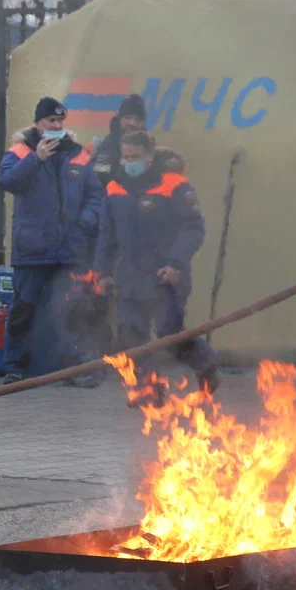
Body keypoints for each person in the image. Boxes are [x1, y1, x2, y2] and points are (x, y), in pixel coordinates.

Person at [94, 131, 219, 393]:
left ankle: (205, 366)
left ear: (150, 157)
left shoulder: (175, 185)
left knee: (169, 333)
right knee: (131, 336)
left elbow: (193, 228)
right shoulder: (114, 187)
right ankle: (150, 390)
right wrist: (103, 271)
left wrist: (176, 263)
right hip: (129, 274)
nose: (130, 162)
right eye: (126, 157)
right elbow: (106, 235)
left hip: (166, 273)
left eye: (135, 157)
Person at [0, 97, 104, 387]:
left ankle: (73, 369)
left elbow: (95, 195)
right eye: (50, 122)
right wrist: (37, 159)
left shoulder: (78, 154)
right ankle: (14, 367)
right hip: (33, 247)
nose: (56, 126)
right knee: (24, 307)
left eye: (60, 121)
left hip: (70, 246)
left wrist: (85, 222)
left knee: (73, 307)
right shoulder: (21, 151)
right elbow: (7, 181)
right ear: (38, 123)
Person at [85, 94, 147, 181]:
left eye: (138, 119)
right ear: (120, 119)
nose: (133, 123)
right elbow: (97, 180)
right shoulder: (106, 146)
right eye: (128, 118)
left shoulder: (148, 149)